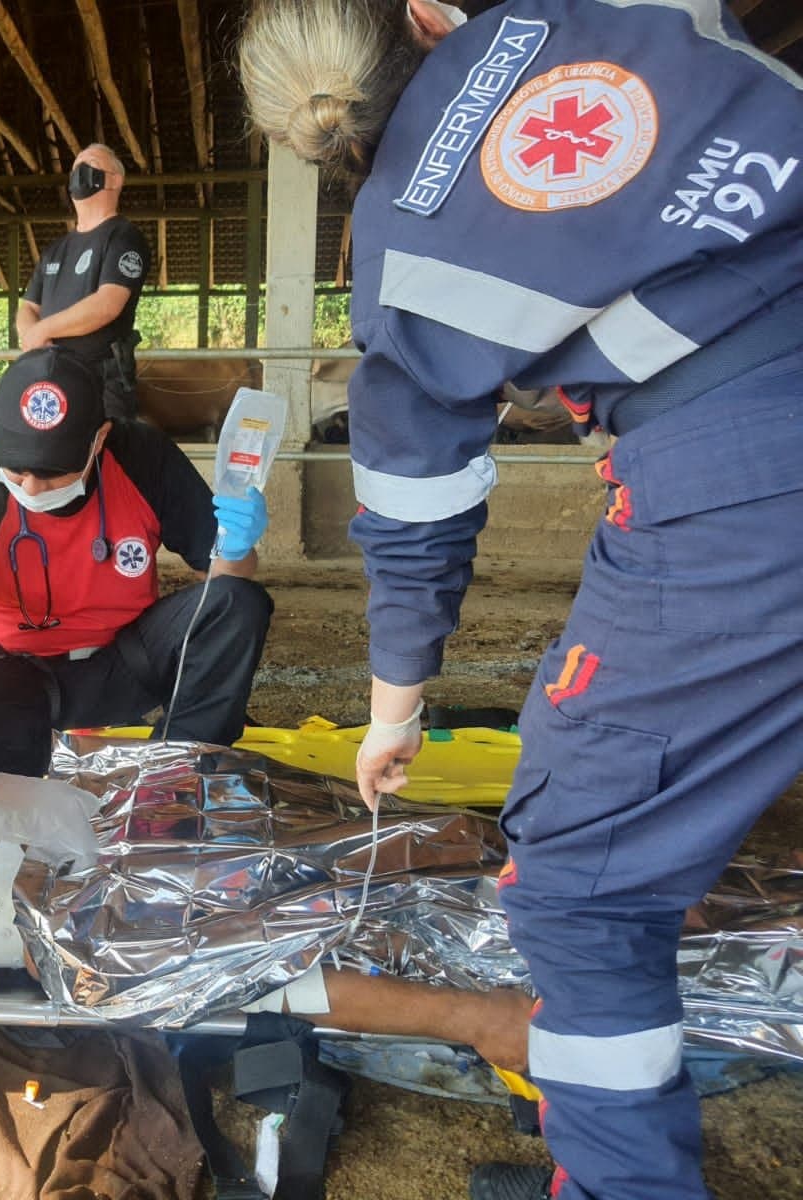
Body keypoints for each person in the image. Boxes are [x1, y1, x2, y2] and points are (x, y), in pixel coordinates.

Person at [237, 2, 803, 1198]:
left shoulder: (404, 253)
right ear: (425, 18)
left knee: (581, 887)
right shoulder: (598, 18)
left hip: (747, 479)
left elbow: (413, 513)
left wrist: (394, 713)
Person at [0, 347, 272, 828]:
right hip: (16, 676)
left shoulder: (142, 458)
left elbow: (224, 586)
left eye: (53, 474)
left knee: (239, 605)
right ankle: (66, 778)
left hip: (124, 662)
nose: (32, 487)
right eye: (18, 470)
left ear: (99, 440)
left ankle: (173, 777)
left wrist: (236, 547)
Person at [0, 803, 533, 1073]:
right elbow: (282, 984)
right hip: (486, 928)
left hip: (453, 846)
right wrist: (470, 1019)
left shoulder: (55, 809)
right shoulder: (83, 949)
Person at [18, 144, 151, 421]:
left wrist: (43, 330)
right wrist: (32, 335)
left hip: (101, 380)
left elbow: (106, 305)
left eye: (89, 163)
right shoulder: (55, 250)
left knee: (105, 457)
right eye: (75, 166)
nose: (79, 171)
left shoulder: (123, 238)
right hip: (52, 378)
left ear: (115, 180)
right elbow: (28, 306)